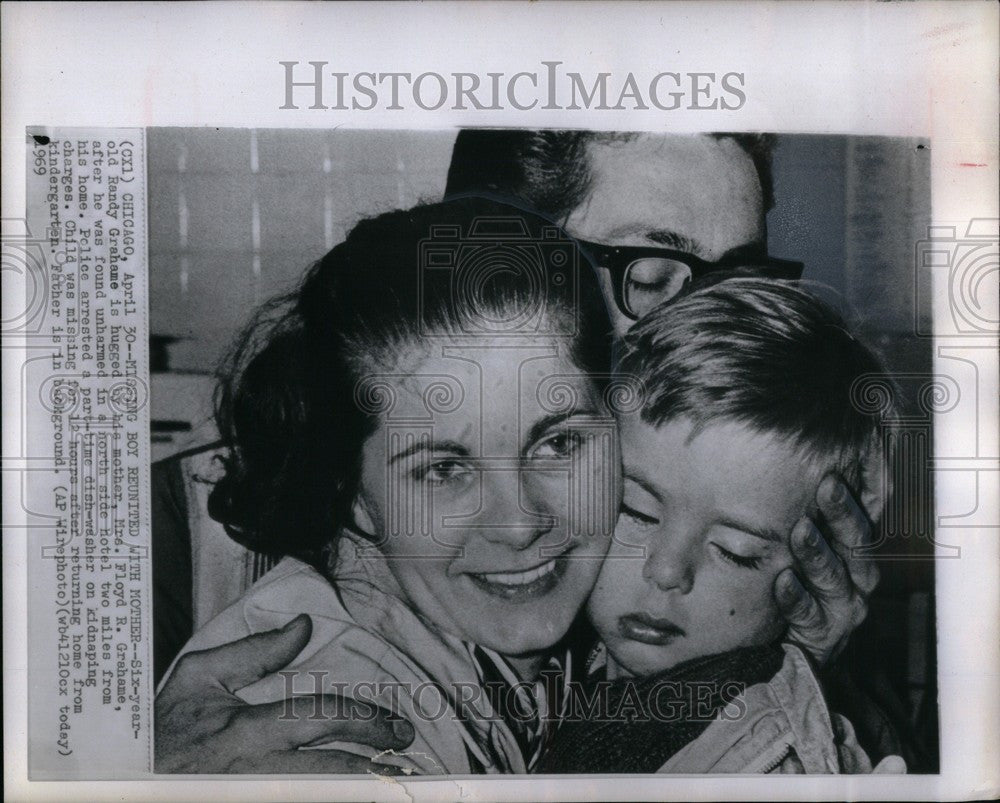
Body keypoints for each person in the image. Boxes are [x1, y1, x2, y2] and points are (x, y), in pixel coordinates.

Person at [155, 132, 882, 772]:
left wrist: (760, 669)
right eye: (654, 274)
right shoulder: (171, 546)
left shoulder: (627, 555)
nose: (706, 333)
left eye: (739, 282)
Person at [160, 197, 621, 773]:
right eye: (444, 469)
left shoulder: (491, 640)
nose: (519, 523)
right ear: (352, 491)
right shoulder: (332, 723)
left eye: (558, 443)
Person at [539, 278, 904, 774]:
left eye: (736, 550)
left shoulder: (765, 763)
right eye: (635, 511)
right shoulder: (568, 662)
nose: (666, 570)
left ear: (822, 569)